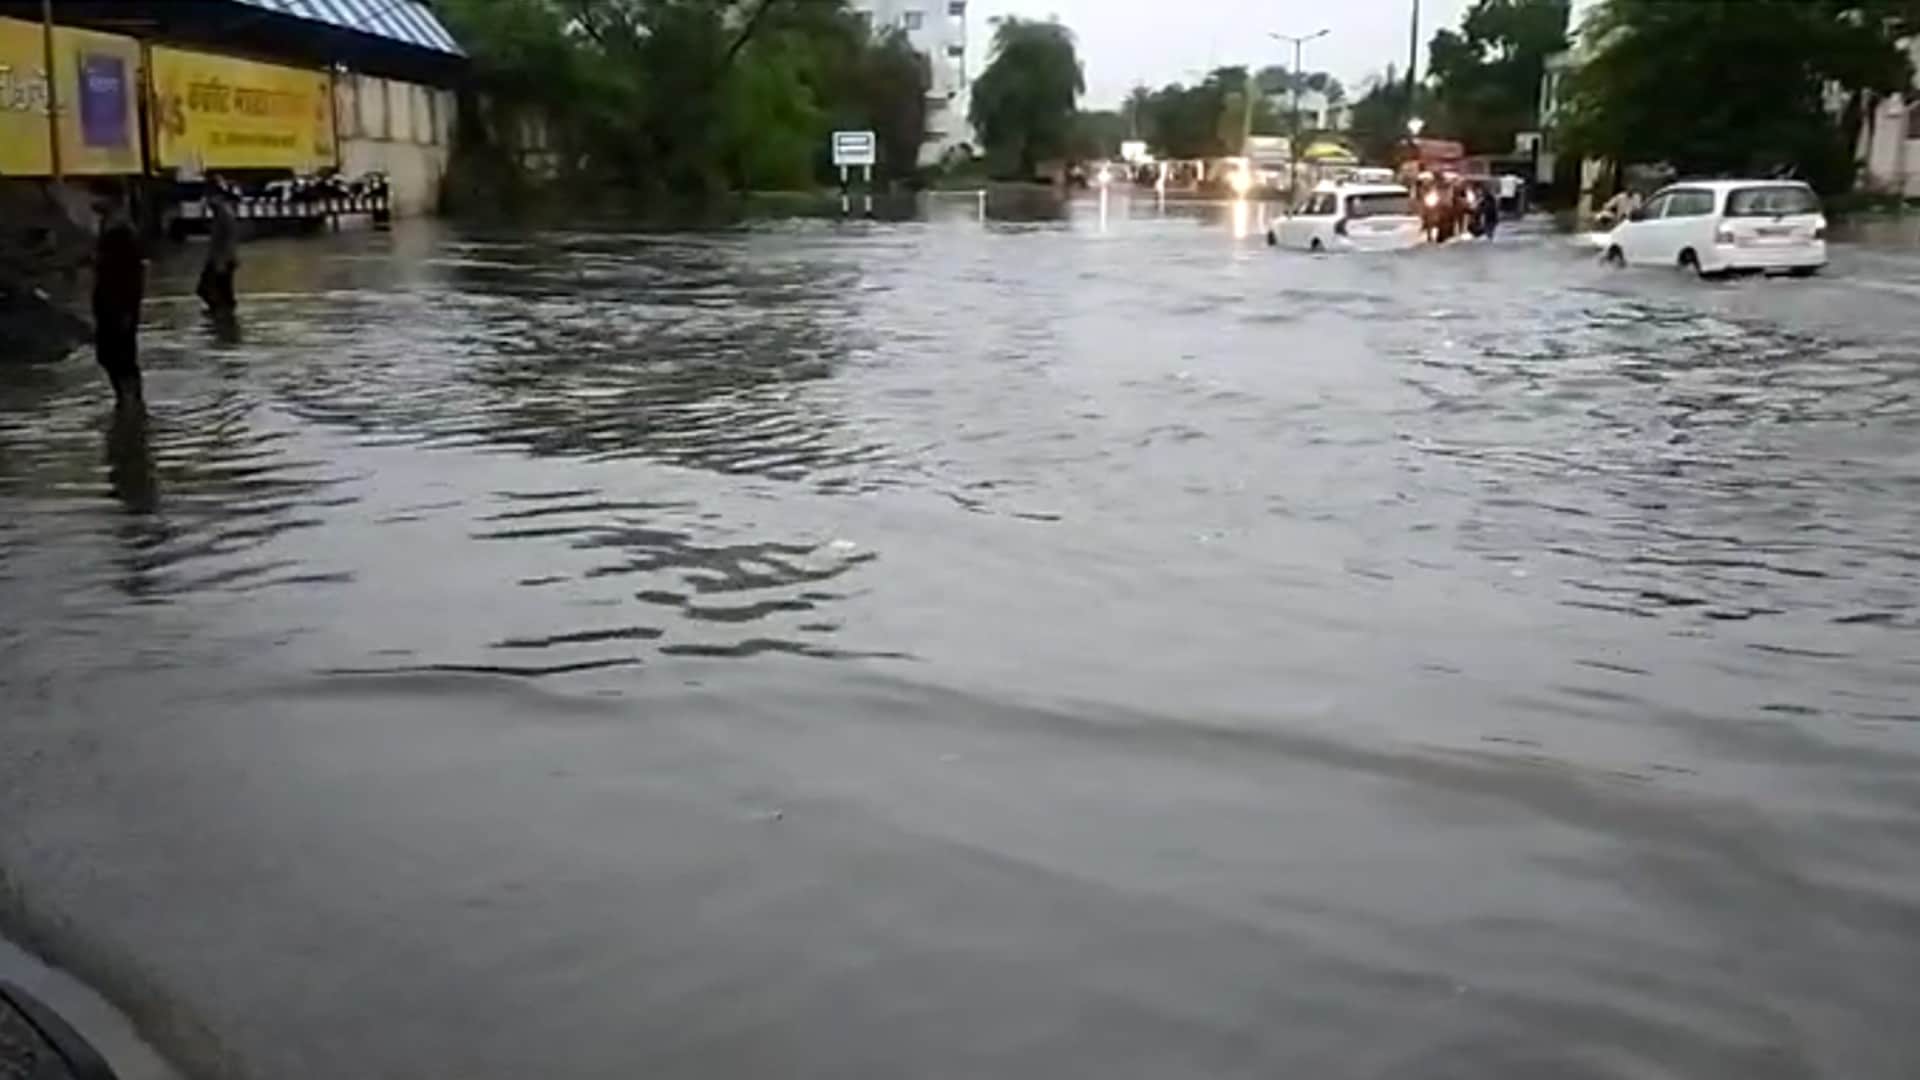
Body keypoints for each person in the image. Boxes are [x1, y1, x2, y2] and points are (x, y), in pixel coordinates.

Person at [90, 180, 145, 414]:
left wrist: (126, 309)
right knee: (110, 355)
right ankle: (127, 404)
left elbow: (131, 274)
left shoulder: (121, 232)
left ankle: (130, 405)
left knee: (119, 356)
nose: (93, 203)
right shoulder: (110, 227)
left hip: (118, 304)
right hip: (110, 302)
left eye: (97, 197)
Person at [196, 178, 238, 317]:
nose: (207, 202)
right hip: (221, 258)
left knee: (208, 289)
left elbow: (227, 239)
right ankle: (223, 317)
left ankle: (222, 316)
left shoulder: (224, 214)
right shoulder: (220, 213)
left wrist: (221, 262)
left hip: (222, 260)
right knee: (221, 292)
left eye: (209, 198)